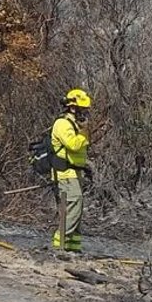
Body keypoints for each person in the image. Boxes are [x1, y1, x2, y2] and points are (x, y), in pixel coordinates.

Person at [51, 88, 92, 253]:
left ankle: (73, 247)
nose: (85, 113)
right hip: (65, 173)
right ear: (72, 107)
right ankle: (59, 244)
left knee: (76, 210)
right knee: (74, 204)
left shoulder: (75, 124)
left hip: (75, 172)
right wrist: (84, 133)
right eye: (82, 109)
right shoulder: (62, 124)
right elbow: (73, 145)